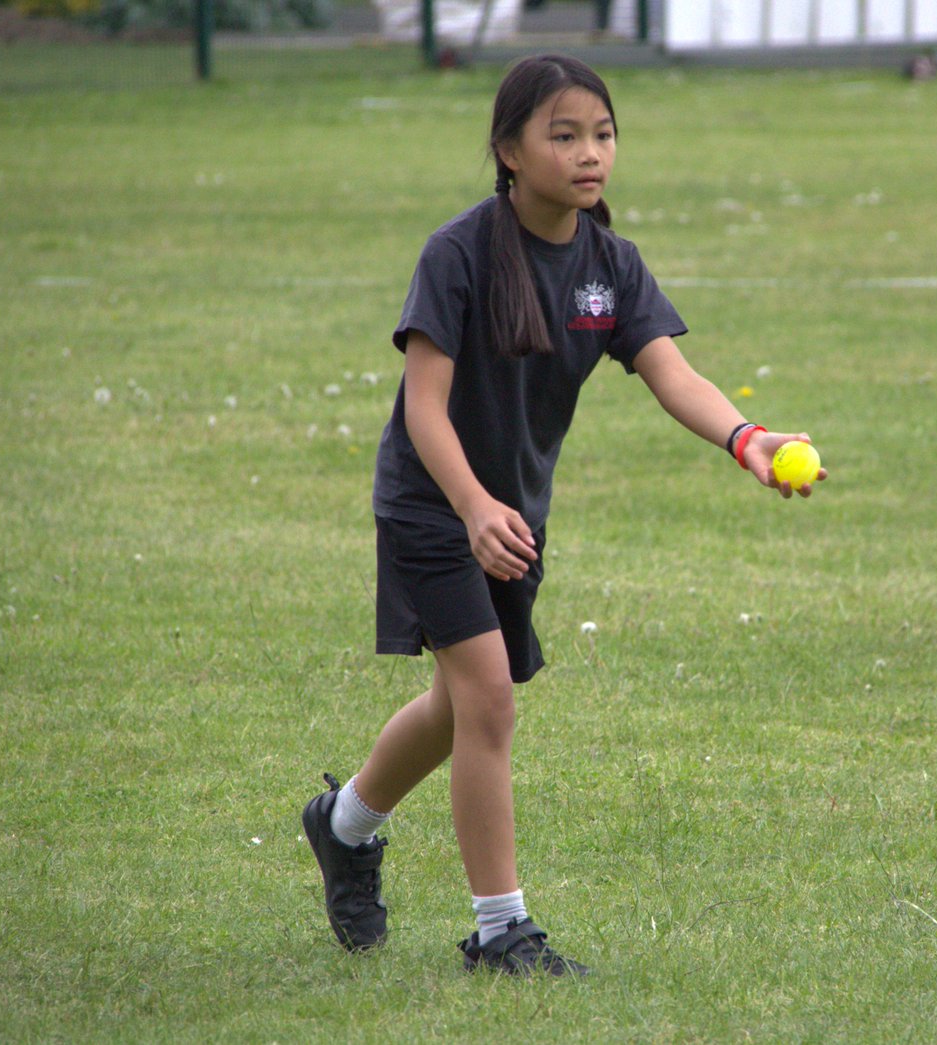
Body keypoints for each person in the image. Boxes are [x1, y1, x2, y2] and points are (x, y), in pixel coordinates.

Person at [301, 54, 826, 976]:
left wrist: (745, 438)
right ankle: (500, 930)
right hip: (434, 502)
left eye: (603, 134)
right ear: (509, 150)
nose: (591, 153)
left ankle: (343, 825)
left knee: (458, 707)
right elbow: (424, 407)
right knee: (488, 701)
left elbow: (671, 372)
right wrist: (471, 505)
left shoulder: (610, 264)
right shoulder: (459, 253)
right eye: (565, 135)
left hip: (512, 514)